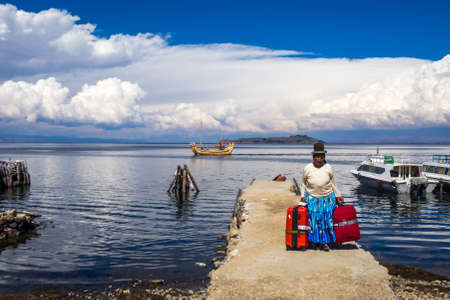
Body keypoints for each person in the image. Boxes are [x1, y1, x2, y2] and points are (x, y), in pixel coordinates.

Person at [300, 142, 344, 251]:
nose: (320, 159)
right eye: (317, 157)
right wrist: (302, 196)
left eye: (322, 157)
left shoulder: (328, 167)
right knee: (314, 220)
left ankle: (324, 243)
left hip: (327, 198)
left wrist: (338, 195)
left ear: (324, 157)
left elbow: (333, 183)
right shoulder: (307, 168)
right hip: (312, 197)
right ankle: (315, 242)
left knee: (326, 220)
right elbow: (303, 183)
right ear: (313, 157)